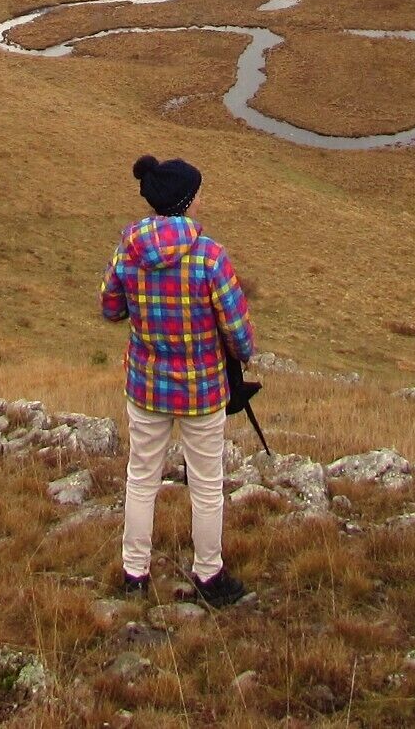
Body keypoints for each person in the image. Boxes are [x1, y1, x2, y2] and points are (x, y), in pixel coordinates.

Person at [100, 153, 255, 608]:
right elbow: (239, 332)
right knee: (206, 485)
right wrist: (240, 355)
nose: (202, 199)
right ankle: (209, 574)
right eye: (198, 193)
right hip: (202, 389)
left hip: (146, 385)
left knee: (141, 477)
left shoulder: (128, 250)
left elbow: (110, 308)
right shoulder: (209, 256)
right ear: (186, 201)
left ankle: (134, 573)